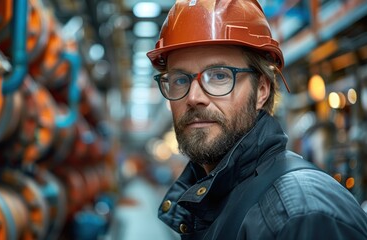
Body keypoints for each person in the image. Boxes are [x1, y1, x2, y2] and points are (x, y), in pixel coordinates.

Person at [146, 0, 367, 239]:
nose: (193, 97)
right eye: (180, 80)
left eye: (219, 75)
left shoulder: (301, 216)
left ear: (261, 90)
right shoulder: (210, 204)